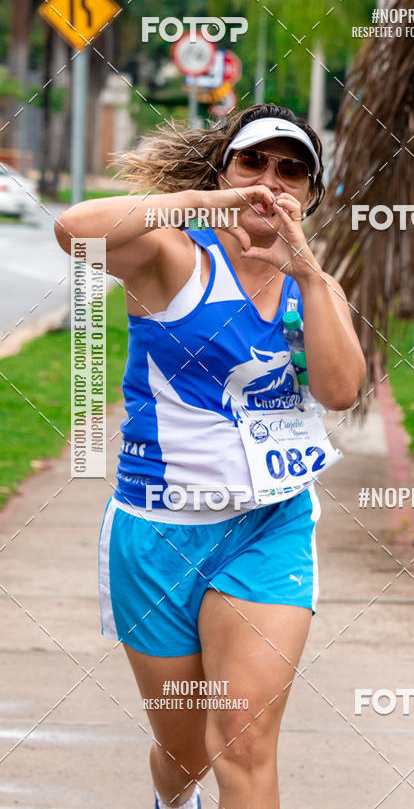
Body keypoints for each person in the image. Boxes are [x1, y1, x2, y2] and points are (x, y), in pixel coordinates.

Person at [54, 103, 366, 808]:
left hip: (268, 527)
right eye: (252, 162)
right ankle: (173, 799)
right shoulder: (174, 257)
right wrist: (200, 202)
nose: (271, 181)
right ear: (225, 169)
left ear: (312, 194)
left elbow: (342, 390)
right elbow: (73, 231)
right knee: (184, 753)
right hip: (157, 532)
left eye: (293, 170)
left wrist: (312, 275)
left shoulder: (312, 288)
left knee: (245, 739)